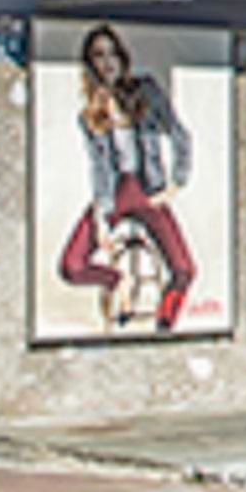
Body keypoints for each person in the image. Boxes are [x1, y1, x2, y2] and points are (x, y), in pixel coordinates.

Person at [54, 24, 197, 331]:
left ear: (122, 57)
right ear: (91, 63)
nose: (107, 62)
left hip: (147, 188)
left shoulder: (146, 91)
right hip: (114, 194)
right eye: (99, 55)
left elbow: (179, 134)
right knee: (72, 265)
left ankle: (165, 322)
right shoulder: (91, 113)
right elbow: (99, 167)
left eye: (112, 54)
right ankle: (117, 281)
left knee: (183, 269)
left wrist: (176, 183)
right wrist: (100, 218)